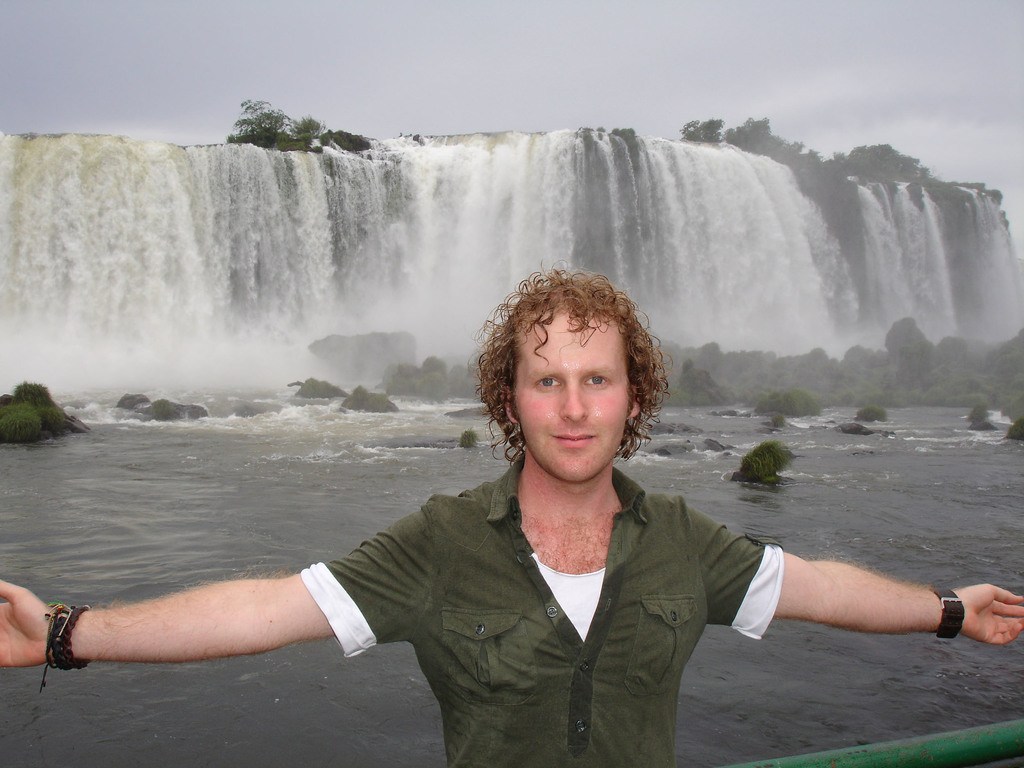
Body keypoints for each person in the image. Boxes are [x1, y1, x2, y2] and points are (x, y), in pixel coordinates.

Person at [1, 269, 1022, 766]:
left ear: (635, 396)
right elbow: (265, 610)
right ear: (507, 398)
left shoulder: (683, 542)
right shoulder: (437, 544)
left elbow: (814, 587)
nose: (573, 408)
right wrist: (60, 633)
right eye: (546, 380)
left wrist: (947, 609)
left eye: (596, 379)